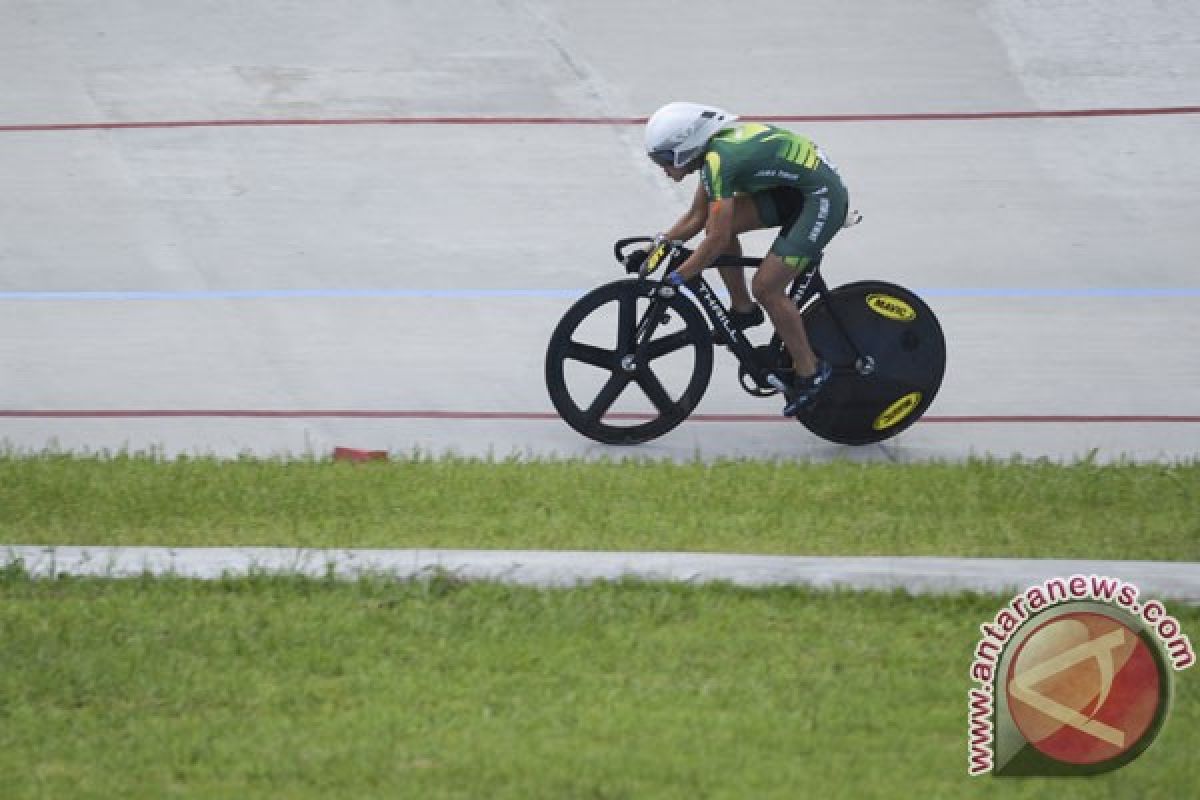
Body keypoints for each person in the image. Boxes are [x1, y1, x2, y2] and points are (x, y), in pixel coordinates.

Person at [641, 101, 851, 417]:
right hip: (793, 190)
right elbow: (697, 217)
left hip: (821, 198)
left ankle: (810, 371)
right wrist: (656, 250)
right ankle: (742, 310)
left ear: (685, 149)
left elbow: (717, 241)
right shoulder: (713, 154)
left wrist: (677, 278)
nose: (662, 168)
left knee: (767, 287)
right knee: (717, 222)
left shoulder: (721, 161)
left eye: (664, 159)